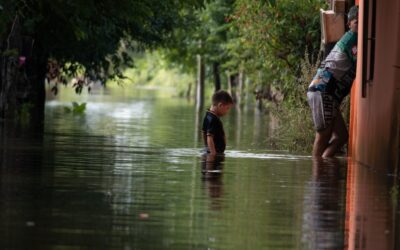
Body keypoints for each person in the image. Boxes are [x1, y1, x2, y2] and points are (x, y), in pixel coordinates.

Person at [307, 6, 359, 157]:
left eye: (363, 23)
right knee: (324, 134)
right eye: (357, 22)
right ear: (349, 24)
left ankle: (323, 166)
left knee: (341, 137)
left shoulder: (355, 38)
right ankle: (317, 173)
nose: (360, 26)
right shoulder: (353, 39)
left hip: (324, 91)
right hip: (323, 90)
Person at [202, 90, 233, 155]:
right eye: (227, 108)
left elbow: (204, 133)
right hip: (215, 155)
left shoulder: (208, 116)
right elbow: (209, 137)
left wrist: (206, 147)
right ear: (220, 105)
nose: (227, 111)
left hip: (213, 152)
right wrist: (213, 155)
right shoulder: (213, 119)